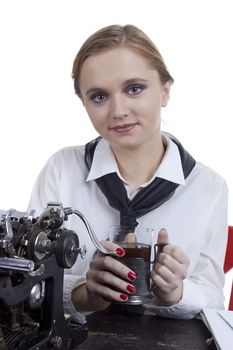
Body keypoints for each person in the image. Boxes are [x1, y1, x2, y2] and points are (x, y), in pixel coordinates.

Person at [27, 24, 228, 323]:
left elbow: (211, 295)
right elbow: (30, 279)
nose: (118, 110)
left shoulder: (209, 187)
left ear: (165, 90)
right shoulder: (61, 169)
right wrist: (85, 294)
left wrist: (175, 293)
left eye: (134, 89)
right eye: (98, 97)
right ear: (83, 103)